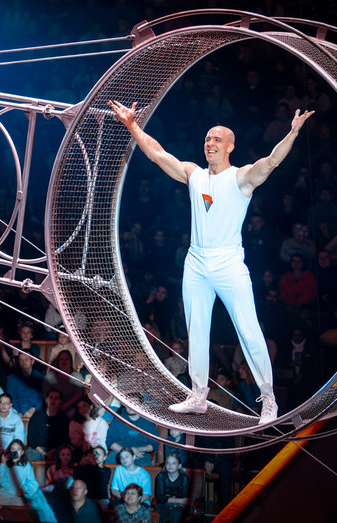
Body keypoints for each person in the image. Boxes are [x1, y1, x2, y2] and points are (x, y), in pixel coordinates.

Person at [109, 100, 314, 422]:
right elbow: (158, 154)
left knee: (248, 330)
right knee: (197, 329)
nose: (210, 143)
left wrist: (293, 132)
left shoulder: (241, 178)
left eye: (217, 139)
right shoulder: (194, 174)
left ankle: (268, 399)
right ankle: (198, 395)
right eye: (207, 138)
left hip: (228, 263)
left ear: (230, 146)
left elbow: (272, 161)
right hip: (196, 262)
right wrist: (132, 125)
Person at [0, 439, 56, 522]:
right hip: (4, 493)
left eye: (18, 449)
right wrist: (3, 463)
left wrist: (24, 489)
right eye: (13, 449)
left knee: (19, 509)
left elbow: (33, 483)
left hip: (19, 495)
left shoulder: (26, 466)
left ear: (22, 452)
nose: (16, 451)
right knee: (0, 508)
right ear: (9, 452)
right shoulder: (5, 465)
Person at [154, 454, 189, 523]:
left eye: (174, 463)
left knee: (177, 515)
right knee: (159, 515)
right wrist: (179, 500)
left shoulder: (184, 478)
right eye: (168, 463)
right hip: (163, 505)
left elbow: (185, 500)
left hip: (179, 506)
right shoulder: (160, 476)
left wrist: (169, 499)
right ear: (165, 465)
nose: (170, 465)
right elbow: (160, 498)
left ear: (179, 466)